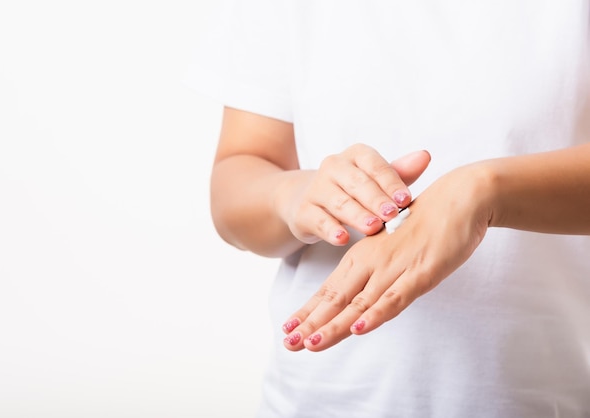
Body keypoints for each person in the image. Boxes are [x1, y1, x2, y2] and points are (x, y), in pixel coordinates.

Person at [187, 0, 590, 416]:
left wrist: (484, 191)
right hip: (320, 398)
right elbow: (236, 184)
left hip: (538, 399)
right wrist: (296, 196)